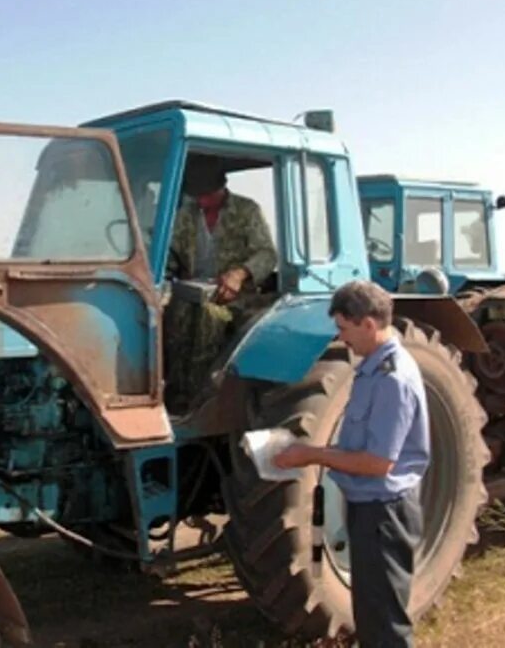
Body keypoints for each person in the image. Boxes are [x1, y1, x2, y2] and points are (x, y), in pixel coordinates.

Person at [272, 280, 429, 647]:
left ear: (368, 325)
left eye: (344, 328)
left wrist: (311, 454)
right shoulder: (371, 369)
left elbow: (378, 463)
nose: (342, 339)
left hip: (385, 514)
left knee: (387, 623)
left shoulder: (393, 379)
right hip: (368, 508)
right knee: (371, 616)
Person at [164, 156, 277, 410]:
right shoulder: (186, 214)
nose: (201, 201)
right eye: (197, 195)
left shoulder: (247, 211)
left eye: (206, 194)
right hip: (193, 290)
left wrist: (239, 274)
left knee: (209, 317)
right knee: (167, 313)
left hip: (236, 296)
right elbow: (171, 252)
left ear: (220, 188)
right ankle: (174, 394)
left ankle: (204, 399)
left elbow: (267, 254)